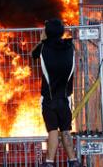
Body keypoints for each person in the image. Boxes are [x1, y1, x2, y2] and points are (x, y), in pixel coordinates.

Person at [31, 19, 79, 167]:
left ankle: (49, 163)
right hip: (65, 98)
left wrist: (42, 40)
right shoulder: (70, 47)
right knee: (66, 130)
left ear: (47, 32)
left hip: (49, 99)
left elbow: (33, 54)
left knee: (52, 129)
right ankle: (73, 161)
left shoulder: (43, 48)